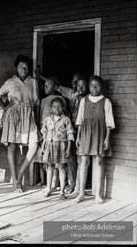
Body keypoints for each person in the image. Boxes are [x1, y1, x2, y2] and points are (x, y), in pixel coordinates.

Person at [0, 55, 41, 193]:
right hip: (12, 116)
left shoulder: (33, 82)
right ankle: (15, 182)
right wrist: (5, 107)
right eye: (21, 67)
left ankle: (18, 178)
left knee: (34, 145)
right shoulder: (10, 82)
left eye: (26, 67)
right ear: (17, 67)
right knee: (12, 147)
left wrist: (37, 121)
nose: (24, 69)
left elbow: (37, 103)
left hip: (29, 115)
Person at [74, 75, 115, 204]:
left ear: (101, 87)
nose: (94, 88)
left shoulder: (106, 101)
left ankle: (97, 194)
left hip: (99, 134)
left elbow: (109, 121)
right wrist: (78, 136)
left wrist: (107, 138)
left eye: (97, 85)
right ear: (89, 86)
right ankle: (81, 193)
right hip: (85, 134)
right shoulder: (84, 101)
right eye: (92, 85)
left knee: (98, 163)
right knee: (84, 162)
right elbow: (80, 120)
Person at [34, 76, 68, 187]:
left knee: (59, 162)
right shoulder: (43, 100)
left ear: (56, 87)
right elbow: (40, 117)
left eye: (48, 85)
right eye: (45, 84)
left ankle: (56, 183)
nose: (45, 86)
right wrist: (40, 133)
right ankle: (48, 183)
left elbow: (65, 115)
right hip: (47, 135)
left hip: (59, 136)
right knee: (48, 160)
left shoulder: (61, 99)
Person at [40, 97, 75, 200]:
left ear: (63, 107)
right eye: (54, 107)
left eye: (59, 107)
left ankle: (62, 192)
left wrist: (68, 149)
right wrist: (43, 147)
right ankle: (48, 188)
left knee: (61, 168)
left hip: (61, 146)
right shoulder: (48, 119)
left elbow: (70, 134)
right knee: (49, 167)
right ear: (51, 108)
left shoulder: (66, 120)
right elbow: (45, 135)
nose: (57, 109)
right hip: (50, 146)